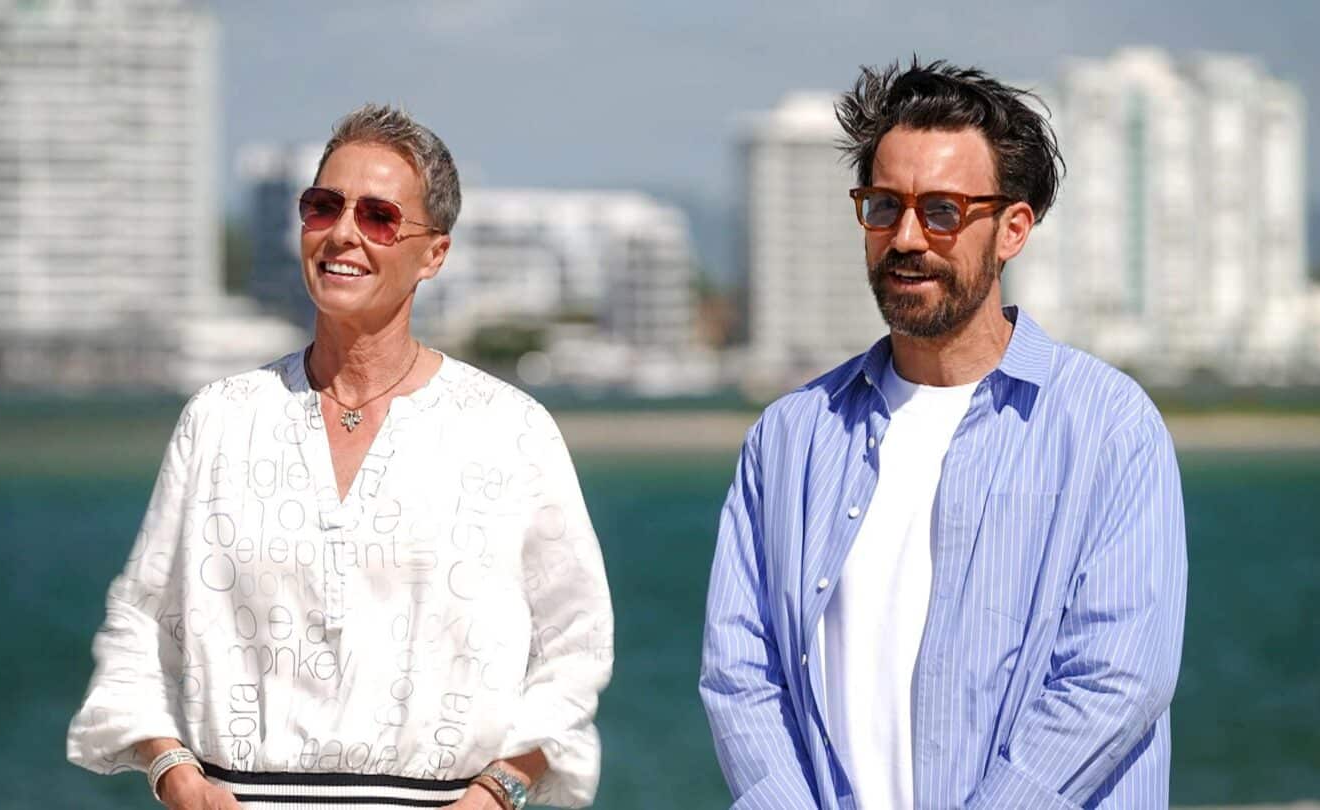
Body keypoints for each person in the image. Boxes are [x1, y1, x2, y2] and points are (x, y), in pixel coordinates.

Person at [68, 103, 613, 810]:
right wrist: (175, 773)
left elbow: (576, 641)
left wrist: (500, 789)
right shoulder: (222, 419)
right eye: (323, 207)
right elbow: (140, 619)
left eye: (380, 216)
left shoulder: (510, 431)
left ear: (434, 253)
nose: (344, 233)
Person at [700, 60, 1187, 809]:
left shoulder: (1107, 427)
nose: (905, 238)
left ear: (1013, 228)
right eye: (883, 205)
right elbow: (742, 670)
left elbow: (1116, 679)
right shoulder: (791, 438)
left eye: (942, 212)